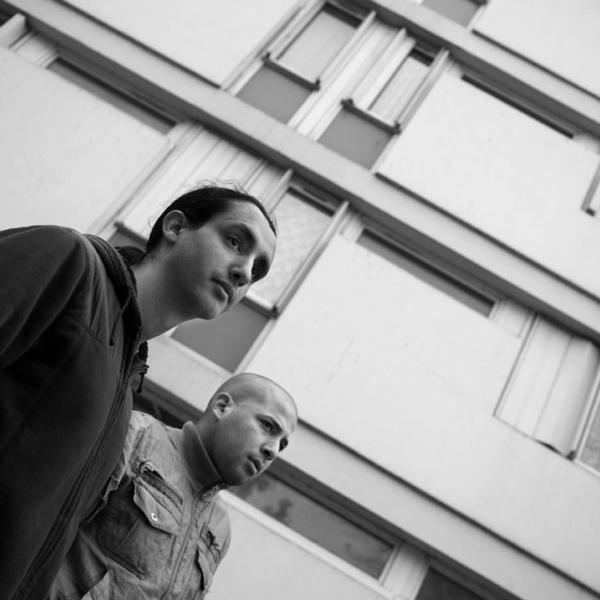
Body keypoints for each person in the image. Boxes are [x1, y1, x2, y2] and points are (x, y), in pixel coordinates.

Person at [0, 186, 277, 600]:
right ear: (176, 227)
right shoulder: (70, 263)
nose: (243, 272)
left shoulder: (124, 393)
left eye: (256, 271)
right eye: (235, 241)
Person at [50, 372, 297, 600]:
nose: (272, 450)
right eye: (268, 426)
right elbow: (48, 523)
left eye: (282, 444)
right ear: (222, 407)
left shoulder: (220, 528)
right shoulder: (136, 435)